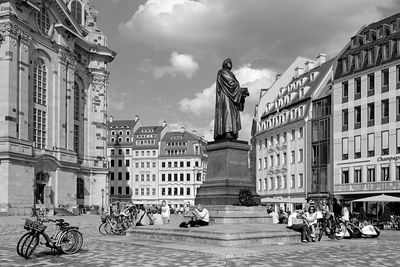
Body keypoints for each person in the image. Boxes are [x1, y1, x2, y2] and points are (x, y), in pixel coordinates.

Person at [214, 58, 248, 140]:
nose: (231, 64)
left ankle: (233, 132)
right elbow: (230, 83)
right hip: (225, 96)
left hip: (232, 97)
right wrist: (240, 90)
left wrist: (240, 92)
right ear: (225, 64)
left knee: (233, 114)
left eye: (231, 63)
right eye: (229, 62)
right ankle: (227, 132)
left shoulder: (231, 74)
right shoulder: (222, 72)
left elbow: (234, 85)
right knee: (227, 113)